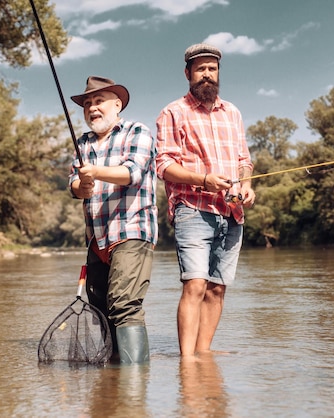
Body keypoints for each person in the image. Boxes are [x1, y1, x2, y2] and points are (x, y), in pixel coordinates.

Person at [155, 43, 255, 357]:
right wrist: (205, 180)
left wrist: (247, 185)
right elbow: (164, 166)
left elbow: (244, 160)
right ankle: (187, 362)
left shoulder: (233, 112)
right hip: (191, 210)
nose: (207, 75)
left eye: (212, 69)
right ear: (188, 73)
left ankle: (203, 355)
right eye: (201, 69)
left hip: (231, 212)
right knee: (195, 284)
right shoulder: (172, 112)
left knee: (216, 288)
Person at [68, 76, 157, 364]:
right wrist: (81, 186)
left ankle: (132, 389)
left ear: (117, 104)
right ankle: (112, 387)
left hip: (131, 230)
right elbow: (74, 185)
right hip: (96, 239)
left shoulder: (137, 131)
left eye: (99, 101)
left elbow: (132, 173)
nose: (92, 108)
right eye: (88, 104)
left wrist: (94, 171)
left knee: (125, 305)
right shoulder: (82, 142)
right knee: (101, 310)